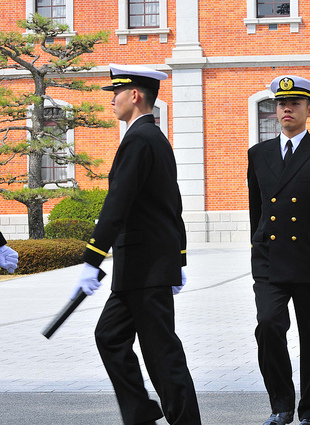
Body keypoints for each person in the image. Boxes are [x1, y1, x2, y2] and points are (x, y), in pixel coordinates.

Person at [73, 64, 201, 425]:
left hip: (145, 268)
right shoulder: (152, 138)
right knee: (110, 337)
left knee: (162, 355)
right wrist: (179, 259)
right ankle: (141, 412)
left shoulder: (140, 139)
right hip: (143, 267)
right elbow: (170, 204)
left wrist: (91, 257)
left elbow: (118, 202)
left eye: (116, 93)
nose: (111, 100)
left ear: (135, 95)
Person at [247, 75, 310, 425]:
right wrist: (256, 243)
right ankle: (281, 404)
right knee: (268, 325)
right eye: (280, 103)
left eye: (295, 104)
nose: (286, 108)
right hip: (270, 261)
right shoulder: (258, 154)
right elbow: (256, 208)